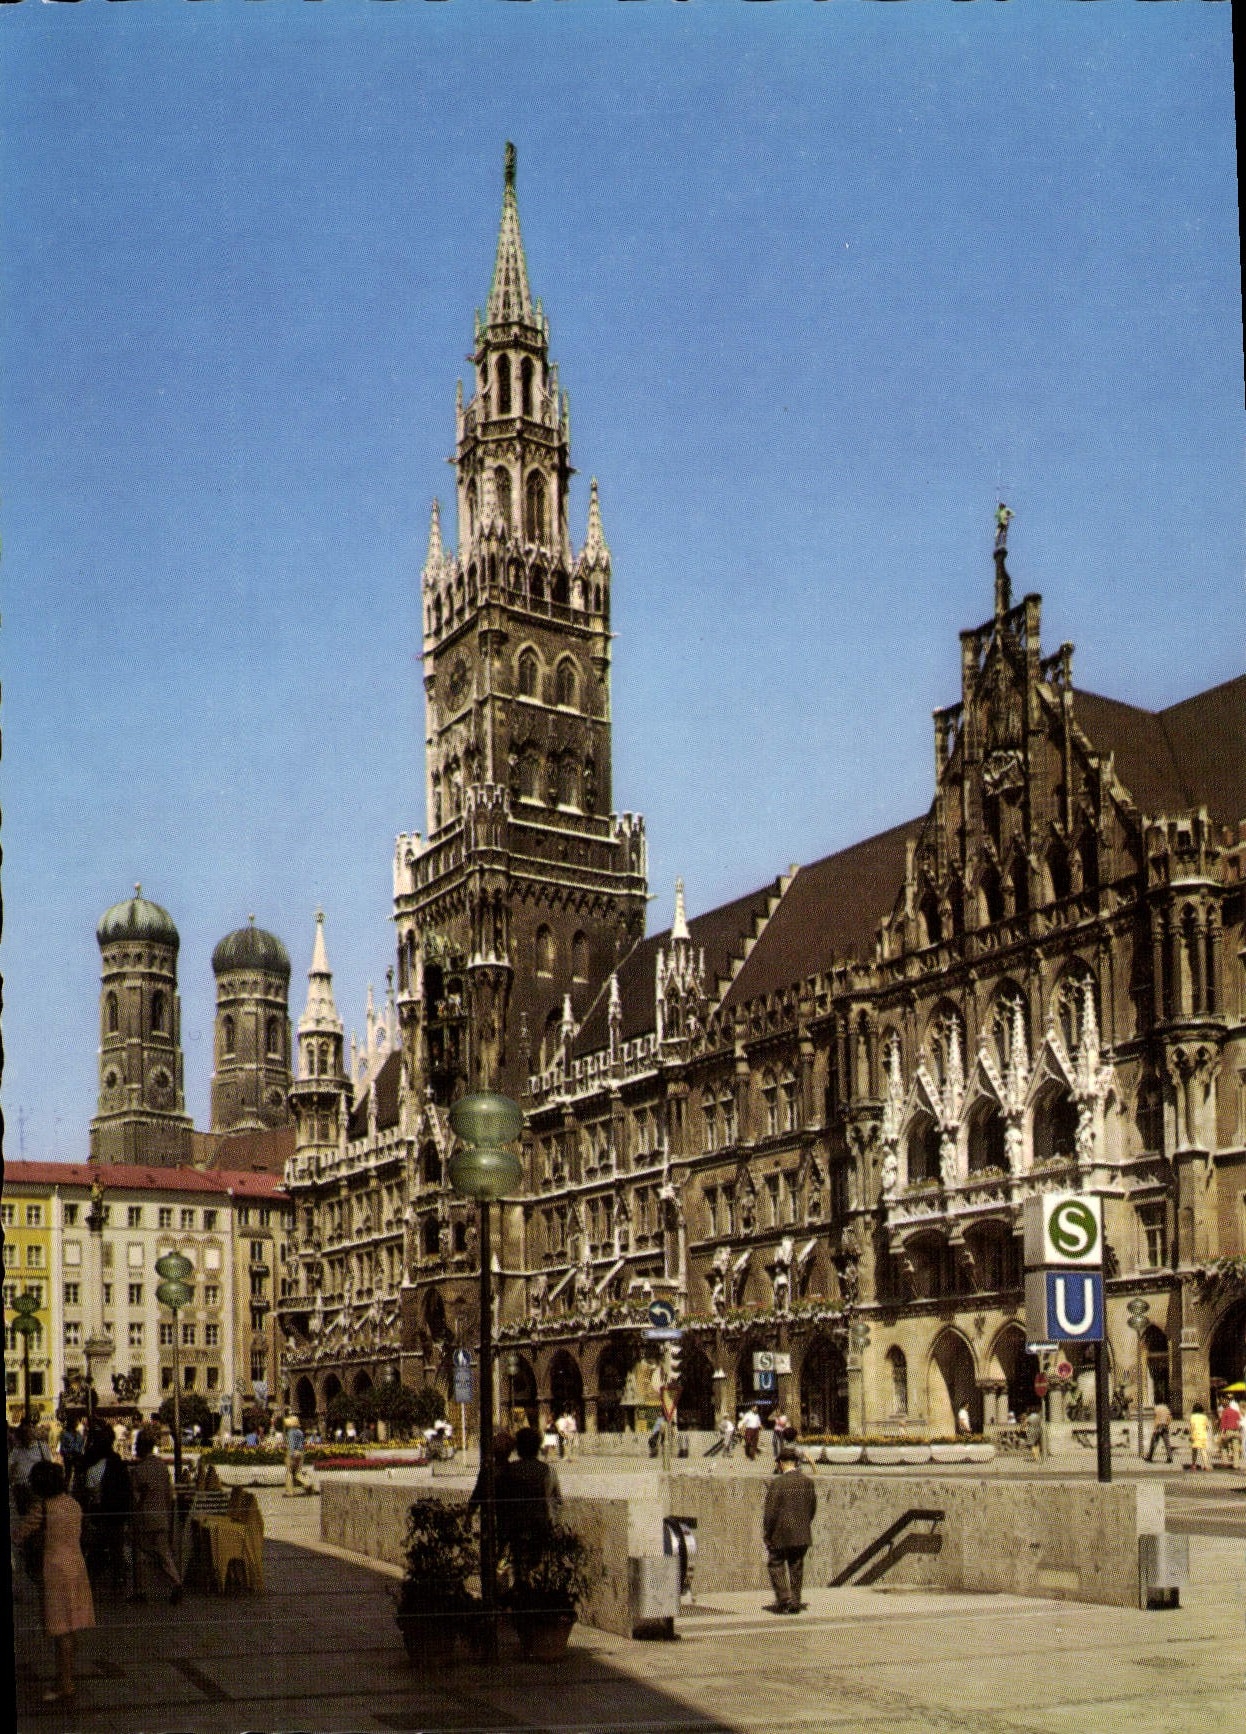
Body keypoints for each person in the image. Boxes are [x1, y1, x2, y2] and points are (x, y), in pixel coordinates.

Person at [15, 1458, 96, 1703]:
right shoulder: (73, 1503)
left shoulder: (43, 1508)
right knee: (71, 1629)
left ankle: (65, 1683)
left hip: (54, 1571)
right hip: (76, 1566)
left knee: (60, 1629)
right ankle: (67, 1677)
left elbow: (19, 1535)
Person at [495, 1426, 562, 1583]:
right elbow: (557, 1502)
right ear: (538, 1447)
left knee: (513, 1573)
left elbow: (502, 1504)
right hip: (540, 1529)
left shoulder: (508, 1471)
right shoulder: (548, 1471)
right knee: (538, 1573)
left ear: (518, 1448)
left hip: (515, 1531)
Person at [128, 1429, 182, 1604]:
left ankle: (141, 1591)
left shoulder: (139, 1471)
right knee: (163, 1553)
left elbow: (135, 1498)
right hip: (161, 1516)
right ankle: (176, 1582)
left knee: (139, 1554)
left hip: (144, 1518)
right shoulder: (162, 1467)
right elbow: (169, 1494)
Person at [763, 1443, 816, 1614]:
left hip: (780, 1534)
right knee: (796, 1566)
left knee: (775, 1564)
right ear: (796, 1463)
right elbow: (812, 1508)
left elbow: (770, 1513)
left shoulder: (777, 1483)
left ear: (780, 1463)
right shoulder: (807, 1482)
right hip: (801, 1533)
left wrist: (768, 1534)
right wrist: (803, 1524)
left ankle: (784, 1598)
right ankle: (795, 1600)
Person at [283, 1415, 308, 1495]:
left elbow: (292, 1445)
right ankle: (308, 1483)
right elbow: (302, 1443)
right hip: (300, 1453)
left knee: (289, 1472)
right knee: (298, 1472)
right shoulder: (300, 1432)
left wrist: (291, 1454)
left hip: (293, 1453)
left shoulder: (290, 1432)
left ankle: (290, 1492)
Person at [1189, 1402, 1211, 1471]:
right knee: (1203, 1451)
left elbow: (1192, 1427)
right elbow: (1207, 1427)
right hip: (1203, 1435)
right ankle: (1206, 1466)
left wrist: (1190, 1434)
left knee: (1194, 1451)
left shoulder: (1192, 1417)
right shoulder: (1204, 1417)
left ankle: (1194, 1465)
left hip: (1195, 1435)